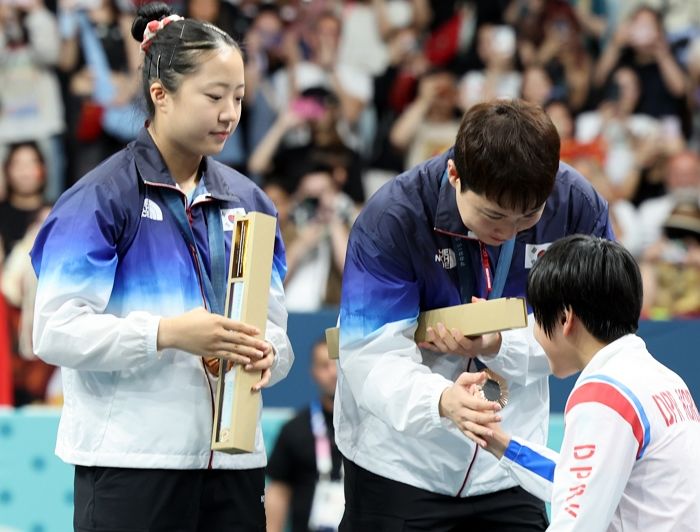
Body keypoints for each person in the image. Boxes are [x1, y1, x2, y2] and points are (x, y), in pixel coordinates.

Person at [29, 3, 293, 531]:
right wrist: (168, 333)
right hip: (133, 462)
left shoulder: (249, 201)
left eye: (238, 98)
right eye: (214, 97)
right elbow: (54, 332)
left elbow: (276, 330)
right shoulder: (101, 198)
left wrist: (268, 354)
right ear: (161, 95)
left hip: (235, 462)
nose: (230, 114)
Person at [335, 99, 614, 531]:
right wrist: (440, 400)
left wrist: (499, 343)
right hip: (400, 464)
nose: (509, 232)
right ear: (454, 175)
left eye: (529, 216)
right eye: (494, 215)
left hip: (508, 462)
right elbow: (368, 351)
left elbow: (593, 335)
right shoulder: (394, 217)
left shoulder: (576, 206)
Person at [466, 234, 700, 531]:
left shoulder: (605, 394)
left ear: (565, 318)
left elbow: (575, 523)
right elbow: (580, 482)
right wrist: (496, 440)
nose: (535, 333)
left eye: (538, 317)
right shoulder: (664, 380)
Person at [266, 338, 344, 532]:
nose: (333, 372)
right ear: (314, 373)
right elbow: (278, 492)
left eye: (338, 364)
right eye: (324, 366)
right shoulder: (294, 430)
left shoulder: (370, 429)